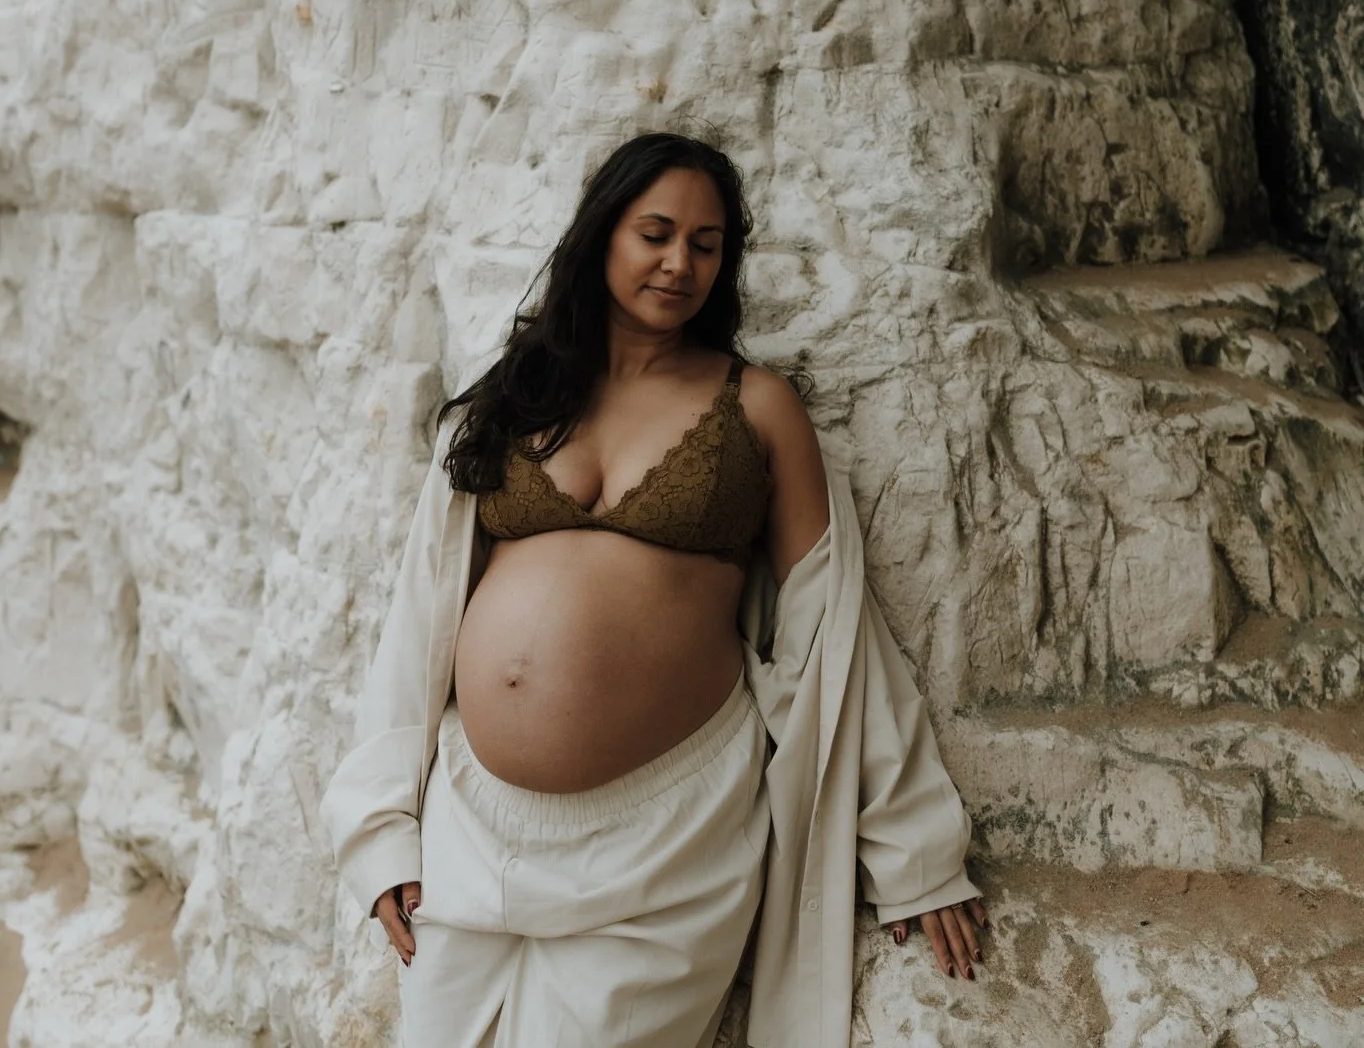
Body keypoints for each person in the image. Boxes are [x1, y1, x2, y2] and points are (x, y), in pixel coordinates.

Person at [321, 132, 986, 1048]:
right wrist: (382, 831)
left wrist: (914, 853)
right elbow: (420, 618)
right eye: (657, 233)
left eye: (706, 244)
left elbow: (830, 628)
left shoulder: (756, 405)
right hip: (472, 826)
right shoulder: (516, 397)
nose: (680, 263)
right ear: (602, 237)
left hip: (662, 833)